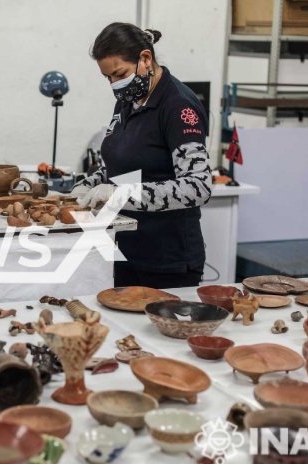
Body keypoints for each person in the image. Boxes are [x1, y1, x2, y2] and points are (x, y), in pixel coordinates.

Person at [72, 23, 212, 289]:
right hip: (125, 250)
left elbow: (197, 187)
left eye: (119, 74)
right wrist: (89, 185)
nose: (114, 84)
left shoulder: (178, 106)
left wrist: (119, 194)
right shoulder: (127, 100)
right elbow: (124, 163)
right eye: (108, 78)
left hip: (167, 260)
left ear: (145, 58)